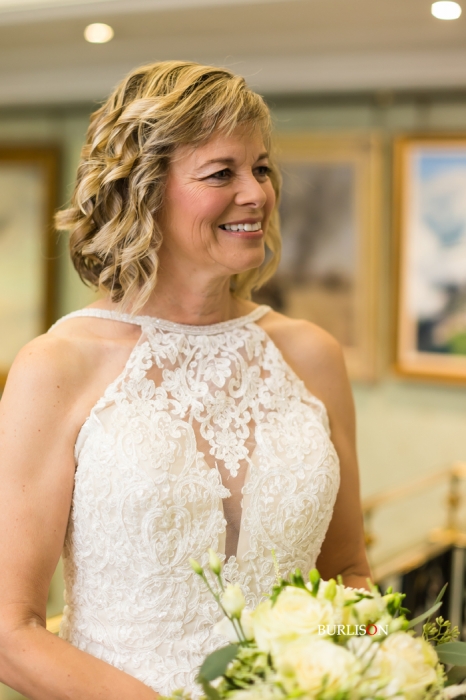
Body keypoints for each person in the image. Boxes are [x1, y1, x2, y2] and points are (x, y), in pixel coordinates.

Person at [0, 61, 370, 699]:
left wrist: (374, 663)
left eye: (261, 169)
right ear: (142, 192)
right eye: (221, 173)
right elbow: (11, 631)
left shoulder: (312, 356)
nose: (256, 194)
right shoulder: (57, 367)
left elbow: (347, 574)